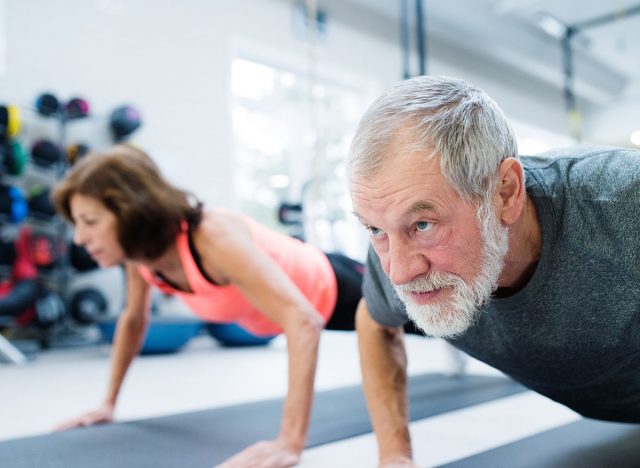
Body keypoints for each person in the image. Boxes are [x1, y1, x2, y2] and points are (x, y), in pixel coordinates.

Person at [347, 75, 640, 467]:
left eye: (423, 225)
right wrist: (394, 456)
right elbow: (374, 322)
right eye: (376, 230)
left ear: (505, 193)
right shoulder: (396, 245)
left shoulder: (623, 203)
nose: (398, 272)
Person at [51, 145, 363, 468]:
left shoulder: (211, 236)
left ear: (130, 211)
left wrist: (290, 441)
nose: (79, 239)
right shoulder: (140, 255)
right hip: (302, 310)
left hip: (336, 285)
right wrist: (108, 403)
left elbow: (302, 320)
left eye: (89, 221)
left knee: (415, 323)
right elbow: (133, 319)